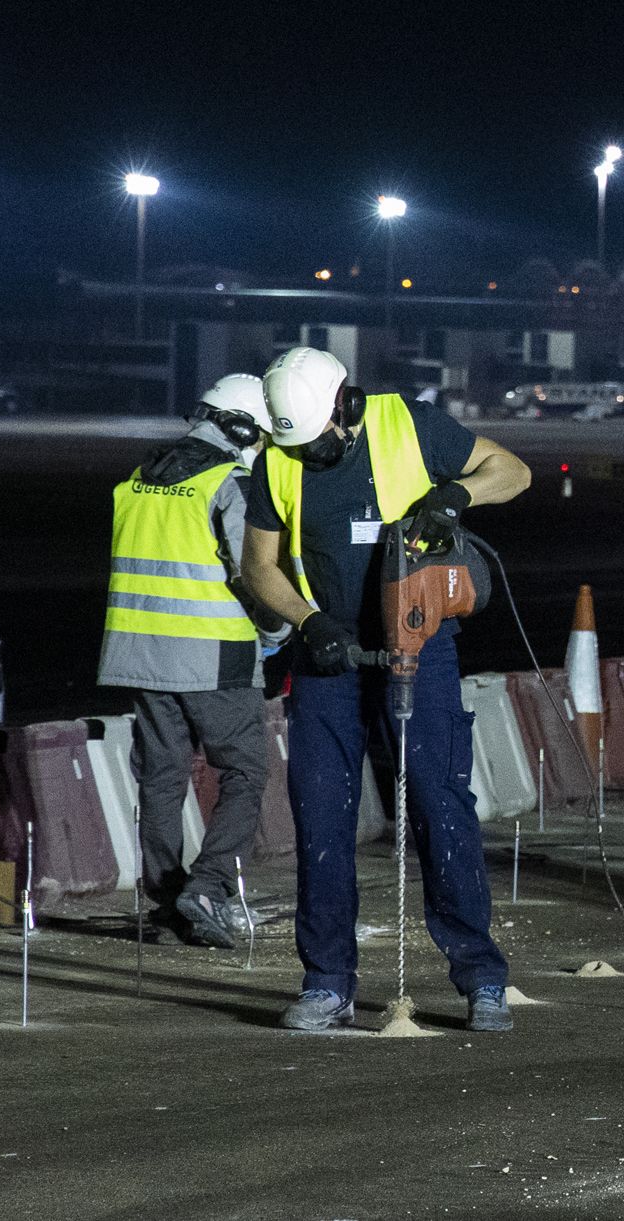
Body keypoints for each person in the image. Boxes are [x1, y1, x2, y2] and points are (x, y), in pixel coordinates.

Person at [242, 348, 530, 1033]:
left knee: (438, 800)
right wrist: (308, 622)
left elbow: (513, 472)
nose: (307, 455)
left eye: (315, 442)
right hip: (328, 660)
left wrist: (454, 495)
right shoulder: (277, 458)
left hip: (420, 649)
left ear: (344, 405)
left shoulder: (410, 425)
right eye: (296, 445)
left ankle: (481, 977)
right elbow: (258, 565)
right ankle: (327, 982)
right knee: (321, 816)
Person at [96, 373, 287, 948]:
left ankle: (168, 903)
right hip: (216, 653)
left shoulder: (139, 480)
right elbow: (254, 571)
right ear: (239, 426)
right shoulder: (230, 482)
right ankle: (208, 886)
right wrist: (282, 626)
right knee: (246, 770)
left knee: (161, 778)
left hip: (140, 653)